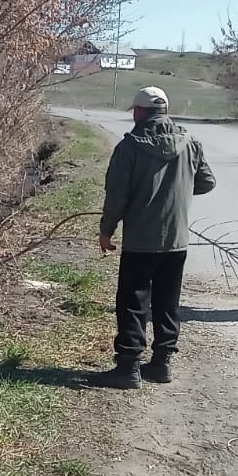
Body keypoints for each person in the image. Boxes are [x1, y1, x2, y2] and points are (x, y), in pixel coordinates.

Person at [97, 86, 216, 388]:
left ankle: (128, 368)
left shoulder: (129, 147)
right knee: (167, 302)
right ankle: (162, 364)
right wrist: (176, 189)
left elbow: (117, 196)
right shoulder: (190, 143)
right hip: (177, 240)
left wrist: (106, 230)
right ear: (165, 111)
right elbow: (207, 182)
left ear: (138, 112)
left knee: (133, 302)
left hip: (140, 240)